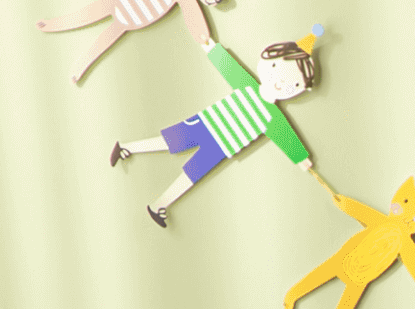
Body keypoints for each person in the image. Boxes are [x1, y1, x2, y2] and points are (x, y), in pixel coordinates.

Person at [110, 25, 323, 225]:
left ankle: (159, 204)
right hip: (205, 124)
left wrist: (300, 158)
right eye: (277, 67)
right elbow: (229, 68)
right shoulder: (249, 87)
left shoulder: (273, 117)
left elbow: (285, 137)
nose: (280, 82)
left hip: (221, 147)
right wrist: (211, 48)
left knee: (191, 175)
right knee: (167, 143)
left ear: (299, 88)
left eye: (294, 83)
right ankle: (128, 148)